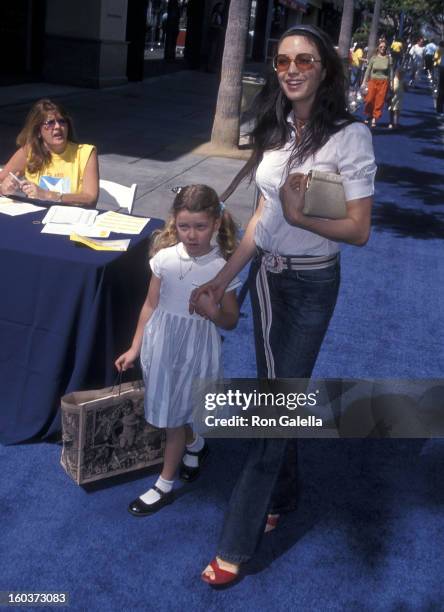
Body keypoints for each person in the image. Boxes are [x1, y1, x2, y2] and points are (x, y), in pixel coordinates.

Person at [190, 24, 376, 586]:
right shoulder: (273, 131)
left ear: (325, 69)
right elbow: (262, 220)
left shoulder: (351, 137)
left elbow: (359, 229)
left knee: (274, 406)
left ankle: (234, 545)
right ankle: (285, 492)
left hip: (314, 285)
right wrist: (223, 278)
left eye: (304, 60)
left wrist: (302, 219)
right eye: (282, 61)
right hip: (266, 285)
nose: (292, 69)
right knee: (280, 391)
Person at [115, 184, 240, 515]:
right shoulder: (165, 258)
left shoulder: (222, 268)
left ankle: (164, 484)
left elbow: (230, 321)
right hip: (162, 345)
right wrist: (135, 346)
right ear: (175, 222)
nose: (192, 234)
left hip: (195, 349)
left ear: (216, 223)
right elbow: (150, 305)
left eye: (200, 226)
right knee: (175, 407)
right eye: (185, 226)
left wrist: (213, 313)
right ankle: (196, 445)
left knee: (172, 418)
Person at [0, 98, 98, 207]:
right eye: (50, 123)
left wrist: (48, 195)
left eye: (62, 121)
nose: (57, 127)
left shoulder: (85, 153)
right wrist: (4, 188)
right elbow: (2, 181)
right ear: (38, 131)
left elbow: (90, 198)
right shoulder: (29, 151)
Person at [361, 39, 392, 128]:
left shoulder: (388, 59)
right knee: (369, 99)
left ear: (386, 48)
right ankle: (369, 115)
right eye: (381, 47)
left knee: (379, 101)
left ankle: (374, 118)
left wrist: (391, 84)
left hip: (384, 82)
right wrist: (364, 81)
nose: (382, 48)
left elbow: (391, 72)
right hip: (373, 81)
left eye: (384, 47)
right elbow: (368, 70)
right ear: (378, 48)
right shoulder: (373, 58)